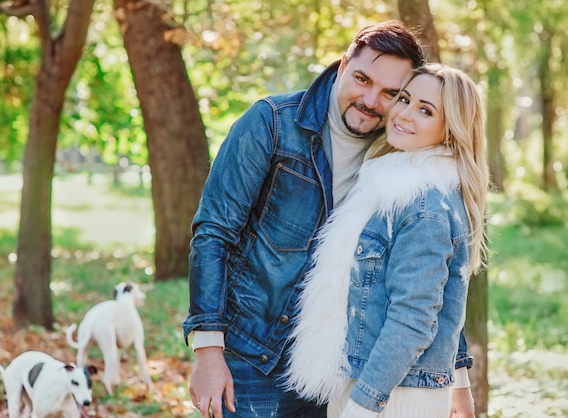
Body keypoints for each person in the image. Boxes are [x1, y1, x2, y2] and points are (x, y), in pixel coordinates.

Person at [183, 20, 475, 418]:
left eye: (392, 93)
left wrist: (456, 372)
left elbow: (429, 276)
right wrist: (208, 352)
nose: (372, 100)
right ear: (342, 66)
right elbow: (214, 233)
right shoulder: (272, 123)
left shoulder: (397, 155)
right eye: (361, 79)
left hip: (341, 368)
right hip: (253, 359)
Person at [284, 63, 489, 418]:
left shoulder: (424, 206)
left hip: (392, 393)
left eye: (426, 110)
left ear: (450, 128)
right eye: (404, 99)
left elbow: (414, 316)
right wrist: (459, 381)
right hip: (373, 380)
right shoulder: (392, 185)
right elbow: (441, 304)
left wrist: (364, 403)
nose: (404, 114)